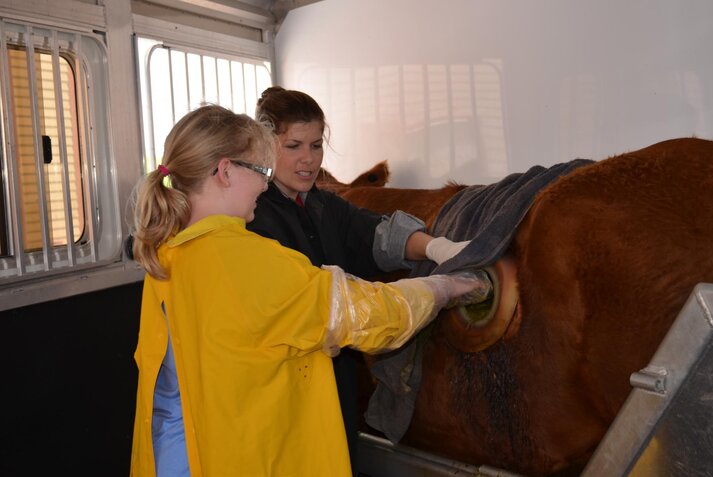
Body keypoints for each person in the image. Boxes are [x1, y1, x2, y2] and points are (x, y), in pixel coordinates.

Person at [128, 103, 484, 477]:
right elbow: (368, 316)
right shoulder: (244, 260)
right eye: (260, 170)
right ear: (226, 171)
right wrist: (443, 287)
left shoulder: (169, 251)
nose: (265, 184)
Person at [248, 86, 470, 471]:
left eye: (316, 145)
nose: (308, 159)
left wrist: (437, 248)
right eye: (294, 146)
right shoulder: (254, 216)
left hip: (334, 380)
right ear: (266, 147)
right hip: (283, 387)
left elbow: (379, 235)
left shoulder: (323, 205)